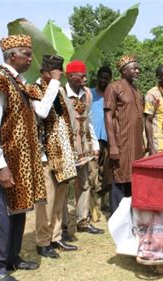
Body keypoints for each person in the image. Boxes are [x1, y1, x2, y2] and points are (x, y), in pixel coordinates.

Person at [0, 35, 62, 281]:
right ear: (12, 55)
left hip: (20, 163)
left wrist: (55, 83)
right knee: (3, 217)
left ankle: (12, 258)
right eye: (26, 53)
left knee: (18, 212)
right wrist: (0, 165)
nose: (30, 58)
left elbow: (42, 111)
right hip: (2, 163)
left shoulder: (21, 84)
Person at [34, 55, 78, 259]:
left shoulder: (58, 90)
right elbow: (42, 112)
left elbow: (65, 120)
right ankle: (42, 241)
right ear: (45, 72)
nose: (59, 76)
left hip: (62, 153)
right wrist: (52, 83)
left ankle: (56, 236)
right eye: (55, 73)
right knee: (47, 201)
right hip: (45, 154)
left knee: (60, 198)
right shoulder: (35, 89)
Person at [61, 60, 104, 235]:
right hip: (65, 148)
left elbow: (88, 119)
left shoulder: (86, 94)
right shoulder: (60, 93)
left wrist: (94, 143)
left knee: (84, 184)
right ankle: (62, 226)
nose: (85, 78)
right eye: (81, 75)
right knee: (63, 187)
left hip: (84, 147)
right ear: (70, 76)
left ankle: (83, 221)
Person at [104, 55, 144, 212]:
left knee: (133, 176)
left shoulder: (136, 90)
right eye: (134, 68)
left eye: (137, 68)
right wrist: (112, 144)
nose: (137, 71)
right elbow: (108, 115)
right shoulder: (114, 87)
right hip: (121, 142)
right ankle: (118, 217)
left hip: (136, 143)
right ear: (123, 70)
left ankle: (131, 213)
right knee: (120, 176)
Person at [88, 66, 113, 221]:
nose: (103, 80)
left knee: (107, 173)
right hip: (93, 139)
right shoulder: (90, 94)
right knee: (92, 173)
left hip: (109, 139)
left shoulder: (112, 95)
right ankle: (91, 208)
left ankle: (104, 203)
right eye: (101, 77)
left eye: (107, 78)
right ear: (97, 77)